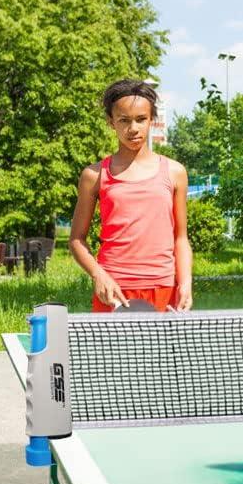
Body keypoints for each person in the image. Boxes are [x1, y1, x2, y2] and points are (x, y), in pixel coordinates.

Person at [68, 78, 193, 312]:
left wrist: (185, 282)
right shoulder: (93, 175)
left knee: (162, 351)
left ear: (151, 120)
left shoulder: (175, 172)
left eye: (141, 119)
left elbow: (181, 238)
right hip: (113, 291)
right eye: (124, 120)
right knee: (111, 351)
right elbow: (76, 240)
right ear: (111, 122)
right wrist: (98, 275)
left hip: (164, 287)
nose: (133, 128)